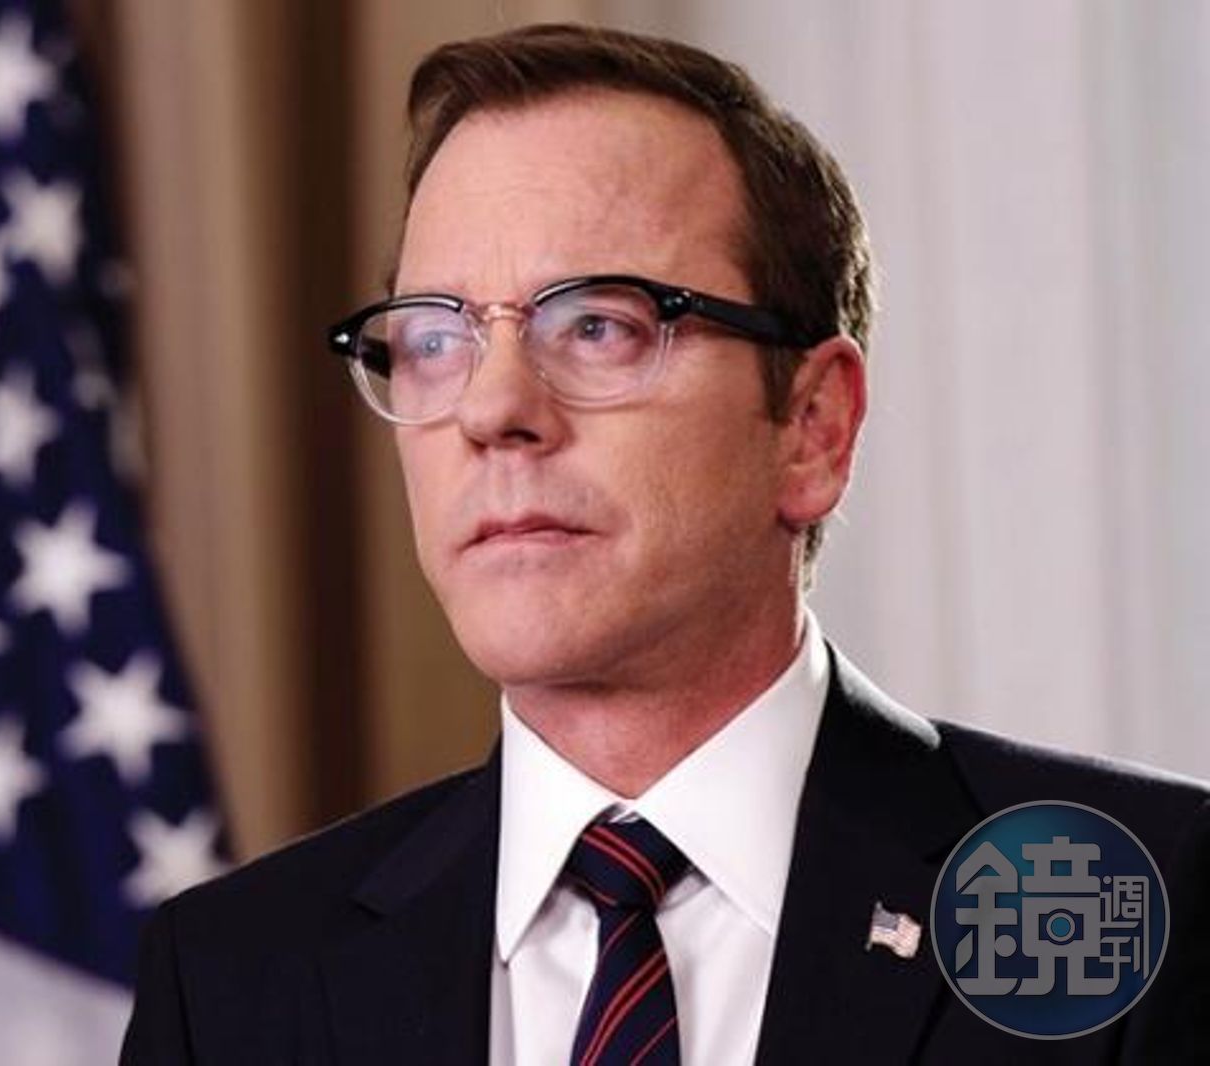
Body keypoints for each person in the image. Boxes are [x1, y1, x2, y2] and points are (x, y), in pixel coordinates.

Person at [122, 23, 1209, 1065]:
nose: (491, 410)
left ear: (812, 428)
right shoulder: (231, 980)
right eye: (437, 339)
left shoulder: (1132, 899)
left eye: (598, 324)